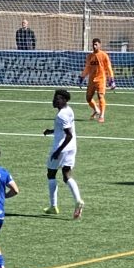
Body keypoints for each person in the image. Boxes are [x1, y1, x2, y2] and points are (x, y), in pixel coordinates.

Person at [42, 88, 84, 219]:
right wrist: (51, 131)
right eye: (54, 98)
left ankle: (53, 206)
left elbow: (68, 135)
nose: (54, 101)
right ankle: (78, 200)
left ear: (64, 100)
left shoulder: (61, 115)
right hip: (72, 148)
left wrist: (58, 151)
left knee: (51, 174)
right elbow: (65, 129)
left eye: (57, 99)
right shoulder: (69, 110)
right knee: (67, 175)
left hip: (62, 148)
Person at [80, 37, 116, 123]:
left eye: (96, 44)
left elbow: (109, 68)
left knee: (100, 96)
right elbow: (87, 68)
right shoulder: (90, 56)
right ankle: (96, 109)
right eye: (93, 44)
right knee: (88, 98)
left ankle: (102, 115)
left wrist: (111, 80)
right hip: (91, 80)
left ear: (100, 45)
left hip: (101, 79)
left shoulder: (104, 55)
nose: (94, 46)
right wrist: (82, 77)